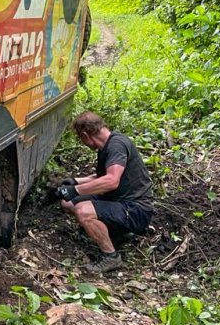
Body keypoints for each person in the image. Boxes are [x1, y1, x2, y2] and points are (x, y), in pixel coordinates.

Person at [56, 112, 154, 273]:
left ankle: (111, 256)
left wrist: (76, 190)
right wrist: (74, 181)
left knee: (83, 211)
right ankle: (115, 233)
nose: (83, 143)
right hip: (118, 201)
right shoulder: (107, 146)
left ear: (86, 135)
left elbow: (111, 180)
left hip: (136, 209)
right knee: (68, 202)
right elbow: (101, 177)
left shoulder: (116, 146)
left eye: (81, 139)